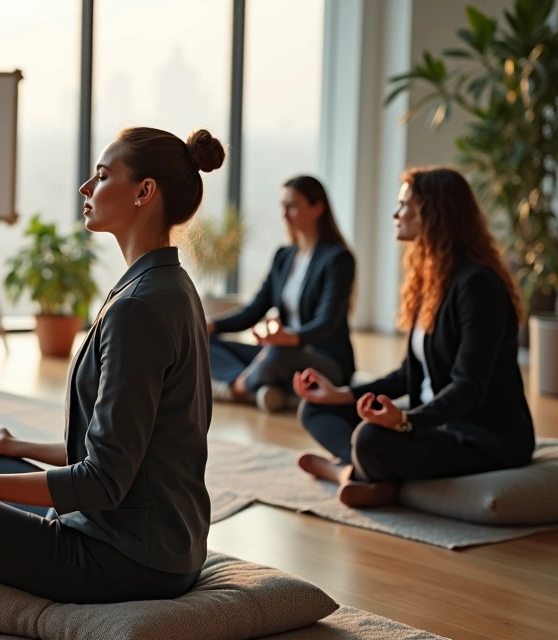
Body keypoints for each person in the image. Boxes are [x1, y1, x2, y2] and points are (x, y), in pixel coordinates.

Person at [0, 127, 222, 604]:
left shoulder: (138, 308)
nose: (86, 188)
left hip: (128, 562)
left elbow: (102, 481)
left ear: (145, 192)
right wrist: (14, 444)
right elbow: (125, 453)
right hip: (161, 543)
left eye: (102, 176)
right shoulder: (168, 283)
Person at [294, 167, 534, 508]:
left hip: (480, 436)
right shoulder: (432, 279)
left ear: (433, 214)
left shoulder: (477, 286)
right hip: (431, 420)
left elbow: (469, 386)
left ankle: (349, 470)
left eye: (405, 205)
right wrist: (341, 395)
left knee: (370, 438)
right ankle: (362, 473)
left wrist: (406, 422)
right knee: (315, 410)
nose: (396, 213)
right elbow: (410, 374)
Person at [208, 176, 356, 413]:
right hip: (280, 351)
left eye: (293, 206)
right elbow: (253, 310)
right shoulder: (283, 256)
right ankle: (269, 388)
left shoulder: (338, 259)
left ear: (317, 208)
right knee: (203, 343)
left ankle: (236, 389)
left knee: (277, 354)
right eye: (282, 206)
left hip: (326, 361)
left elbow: (327, 323)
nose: (284, 214)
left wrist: (291, 339)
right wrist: (210, 326)